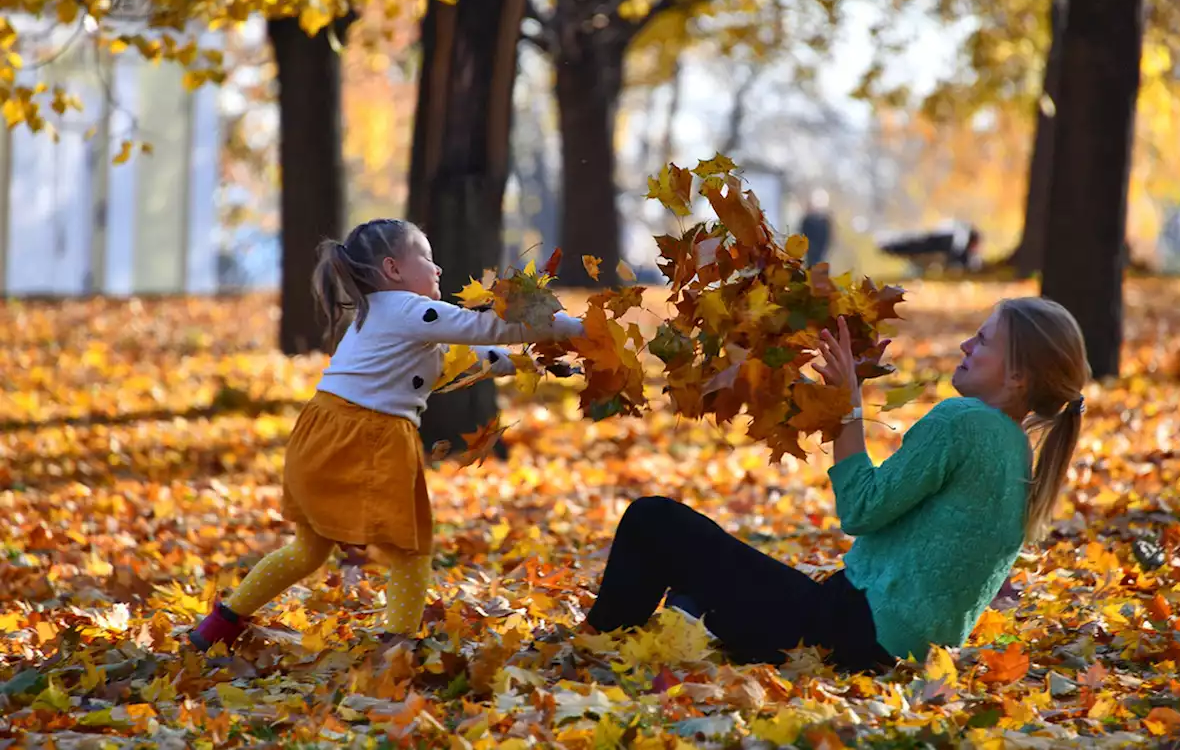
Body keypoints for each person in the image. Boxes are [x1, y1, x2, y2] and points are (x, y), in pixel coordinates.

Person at [583, 297, 1089, 670]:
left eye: (982, 340)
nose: (965, 345)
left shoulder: (964, 422)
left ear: (1019, 374)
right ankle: (677, 626)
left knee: (654, 519)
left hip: (845, 636)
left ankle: (593, 644)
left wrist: (847, 408)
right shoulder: (1018, 451)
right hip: (896, 654)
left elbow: (861, 508)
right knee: (697, 588)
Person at [189, 218, 583, 652]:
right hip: (369, 435)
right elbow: (488, 328)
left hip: (324, 431)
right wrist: (575, 328)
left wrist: (538, 364)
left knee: (308, 550)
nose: (438, 270)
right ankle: (396, 648)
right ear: (394, 270)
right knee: (410, 548)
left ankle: (218, 627)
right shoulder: (406, 310)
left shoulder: (384, 317)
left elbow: (475, 354)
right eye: (428, 260)